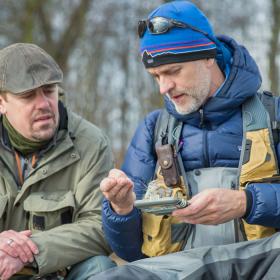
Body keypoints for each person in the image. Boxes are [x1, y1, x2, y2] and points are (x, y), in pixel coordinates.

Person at [100, 0, 280, 264]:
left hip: (263, 266)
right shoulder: (153, 130)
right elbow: (130, 252)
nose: (164, 87)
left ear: (208, 57)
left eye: (172, 71)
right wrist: (121, 209)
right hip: (178, 271)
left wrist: (247, 203)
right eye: (155, 76)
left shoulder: (273, 116)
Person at [0, 43, 116, 280]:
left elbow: (100, 227)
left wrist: (30, 252)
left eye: (49, 91)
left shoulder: (90, 143)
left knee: (101, 269)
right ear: (1, 102)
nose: (43, 104)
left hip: (58, 273)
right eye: (28, 96)